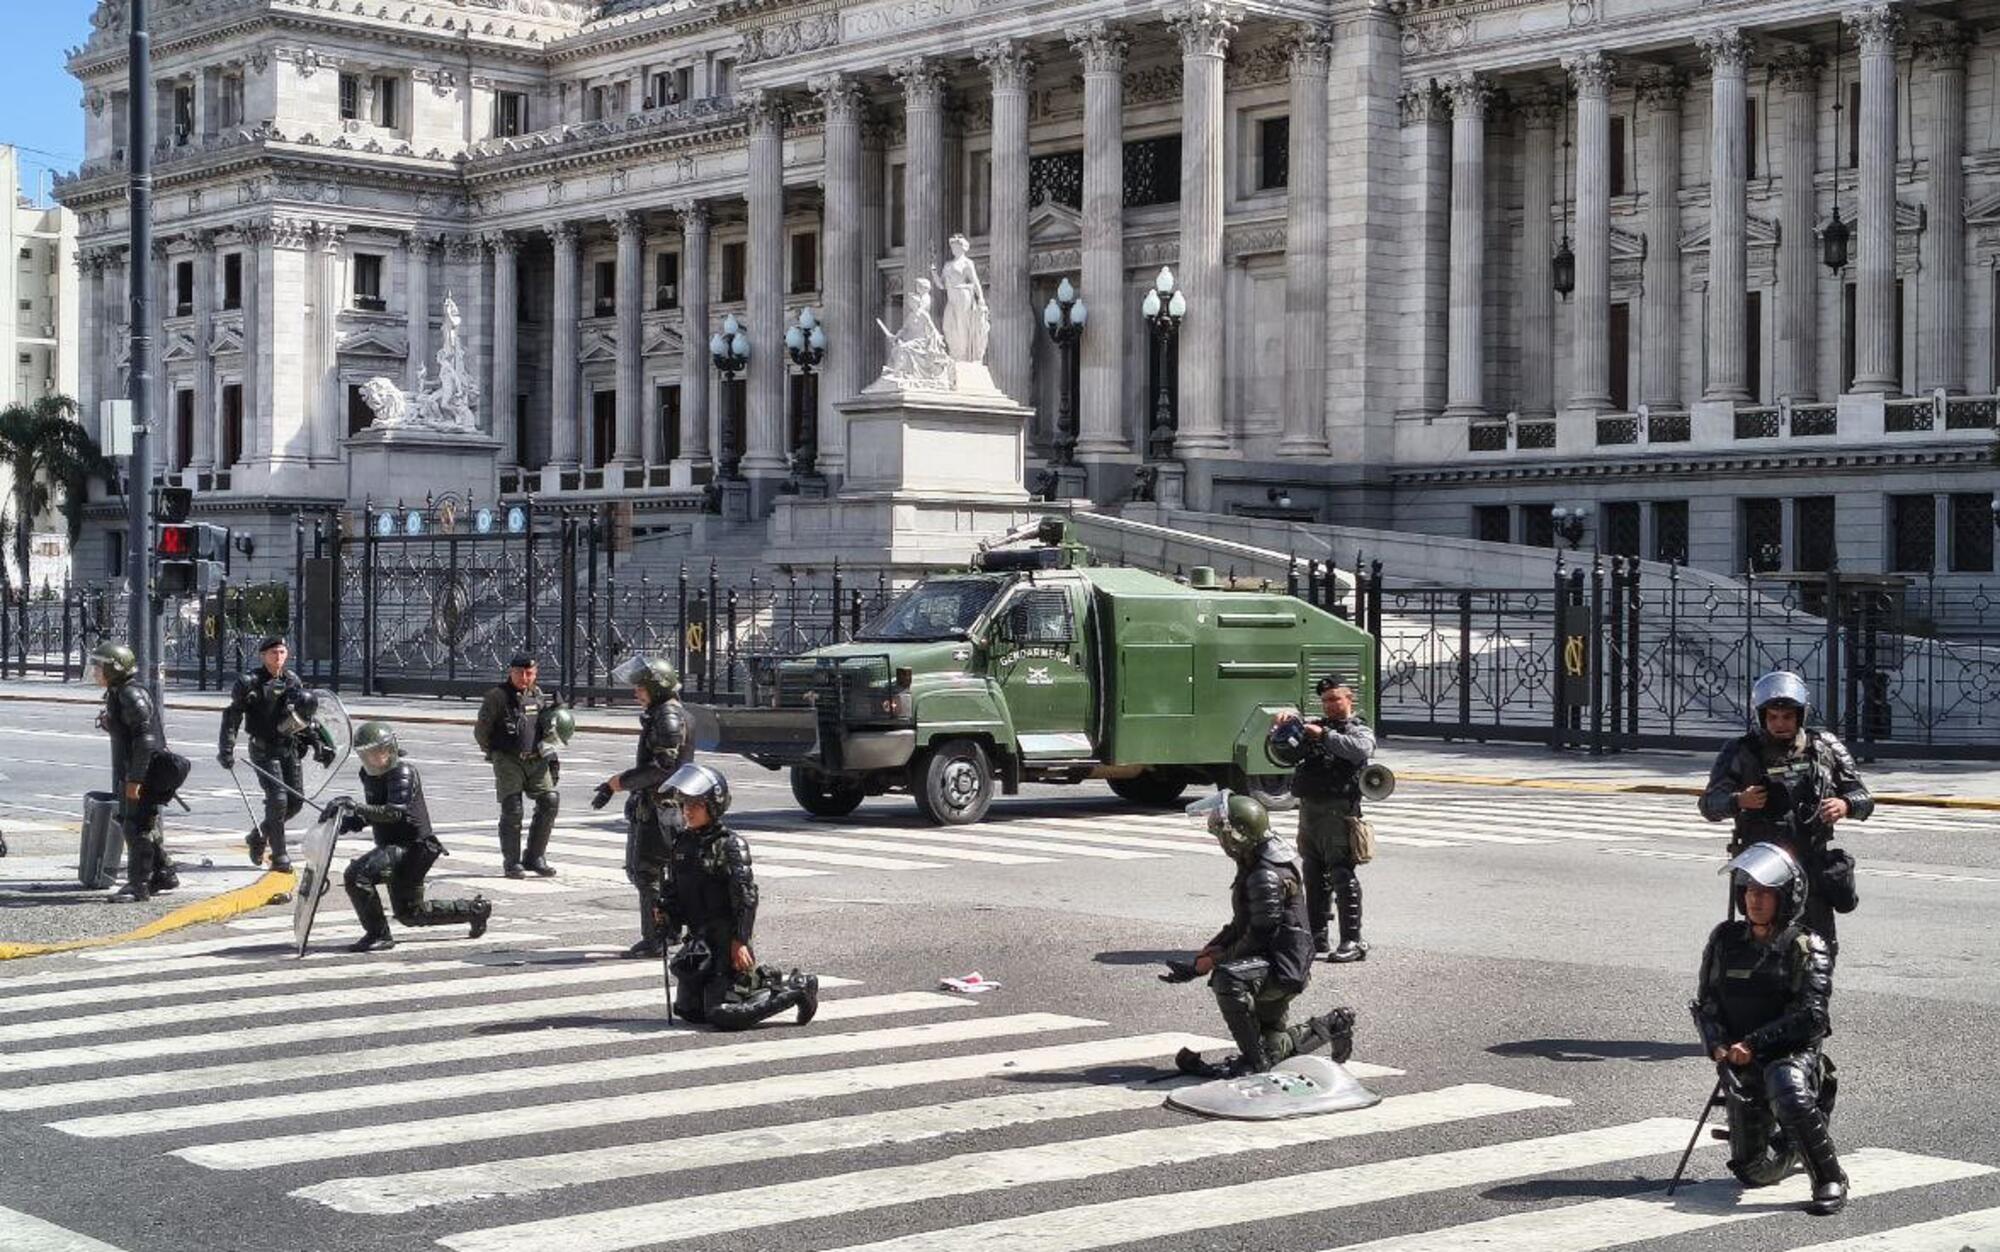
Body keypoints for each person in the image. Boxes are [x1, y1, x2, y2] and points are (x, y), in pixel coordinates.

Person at [1695, 841, 1846, 1215]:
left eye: (1764, 892)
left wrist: (1754, 1042)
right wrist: (1716, 1044)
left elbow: (1811, 1016)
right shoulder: (1724, 940)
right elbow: (1706, 1004)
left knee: (1787, 1086)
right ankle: (1797, 1141)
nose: (1754, 899)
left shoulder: (1807, 946)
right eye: (1749, 891)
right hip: (1741, 1060)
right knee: (1751, 1170)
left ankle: (1829, 1176)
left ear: (1785, 897)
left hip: (1790, 1053)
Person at [1164, 791, 1355, 1076]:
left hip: (1281, 966)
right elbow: (1241, 924)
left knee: (1228, 978)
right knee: (1273, 1047)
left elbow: (1258, 934)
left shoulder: (1264, 874)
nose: (1221, 841)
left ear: (1240, 835)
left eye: (1223, 834)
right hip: (1273, 960)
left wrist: (1214, 962)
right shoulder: (1257, 860)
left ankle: (1257, 1065)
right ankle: (1333, 1024)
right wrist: (1199, 960)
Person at [1700, 670, 1872, 958]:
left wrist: (1845, 805)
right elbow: (1709, 804)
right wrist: (1738, 800)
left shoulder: (1824, 747)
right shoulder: (1740, 751)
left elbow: (1864, 798)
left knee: (1818, 950)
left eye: (1788, 717)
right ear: (1762, 716)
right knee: (1765, 952)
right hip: (1764, 869)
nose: (1780, 724)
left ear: (1800, 716)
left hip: (1812, 865)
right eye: (1773, 717)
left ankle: (1812, 1002)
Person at [652, 762, 820, 1029]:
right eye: (686, 804)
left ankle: (797, 988)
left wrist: (739, 941)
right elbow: (675, 890)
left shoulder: (730, 845)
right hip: (699, 941)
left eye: (696, 805)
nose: (688, 811)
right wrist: (666, 913)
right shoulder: (683, 843)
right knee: (690, 1011)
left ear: (713, 806)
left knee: (721, 1014)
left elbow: (746, 897)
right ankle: (755, 987)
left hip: (723, 940)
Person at [328, 721, 491, 953]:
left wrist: (356, 807)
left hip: (414, 846)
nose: (375, 758)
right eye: (368, 754)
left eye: (379, 752)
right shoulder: (368, 775)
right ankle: (475, 910)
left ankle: (379, 934)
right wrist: (349, 821)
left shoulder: (403, 772)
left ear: (391, 749)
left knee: (357, 875)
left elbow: (394, 811)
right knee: (411, 914)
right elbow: (377, 810)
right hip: (391, 843)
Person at [1272, 675, 1378, 962]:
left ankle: (1352, 941)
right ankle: (1316, 937)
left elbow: (1360, 750)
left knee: (1342, 873)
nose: (1330, 705)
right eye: (1326, 700)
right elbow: (1284, 753)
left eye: (1335, 699)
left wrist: (1324, 736)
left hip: (1340, 811)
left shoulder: (1359, 730)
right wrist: (1284, 725)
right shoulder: (1316, 726)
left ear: (1349, 699)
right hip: (1310, 810)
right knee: (1313, 872)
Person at [594, 657, 694, 958]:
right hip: (663, 803)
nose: (636, 694)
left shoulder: (668, 716)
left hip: (660, 805)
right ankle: (669, 931)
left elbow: (662, 767)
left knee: (646, 872)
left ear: (656, 688)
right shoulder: (666, 712)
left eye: (641, 688)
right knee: (664, 872)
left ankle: (657, 937)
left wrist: (619, 782)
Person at [218, 636, 332, 872]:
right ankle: (279, 856)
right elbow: (232, 717)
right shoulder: (249, 682)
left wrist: (318, 743)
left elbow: (302, 718)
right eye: (273, 653)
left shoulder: (292, 681)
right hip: (263, 748)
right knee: (278, 801)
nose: (278, 657)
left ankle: (258, 837)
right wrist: (226, 748)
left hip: (288, 747)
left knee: (295, 801)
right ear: (263, 656)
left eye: (281, 652)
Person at [90, 641, 180, 902]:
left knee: (135, 826)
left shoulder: (130, 694)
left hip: (143, 772)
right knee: (138, 823)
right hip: (133, 769)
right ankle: (164, 872)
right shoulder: (119, 692)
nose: (96, 672)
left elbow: (145, 740)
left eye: (100, 667)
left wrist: (136, 779)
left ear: (115, 668)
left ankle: (138, 884)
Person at [475, 653, 563, 879]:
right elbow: (482, 731)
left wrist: (552, 758)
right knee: (513, 809)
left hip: (536, 759)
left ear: (535, 674)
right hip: (508, 758)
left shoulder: (538, 695)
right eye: (519, 673)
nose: (524, 677)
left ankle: (535, 857)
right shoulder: (497, 696)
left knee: (549, 800)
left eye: (529, 673)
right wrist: (494, 753)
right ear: (510, 672)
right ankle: (512, 862)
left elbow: (547, 728)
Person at [934, 233, 990, 364]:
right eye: (952, 247)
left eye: (956, 247)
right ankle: (954, 353)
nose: (953, 249)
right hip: (951, 296)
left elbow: (975, 282)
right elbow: (941, 285)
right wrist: (933, 273)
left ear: (963, 248)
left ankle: (962, 356)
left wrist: (981, 298)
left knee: (961, 325)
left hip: (963, 295)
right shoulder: (948, 265)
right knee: (947, 325)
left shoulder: (967, 263)